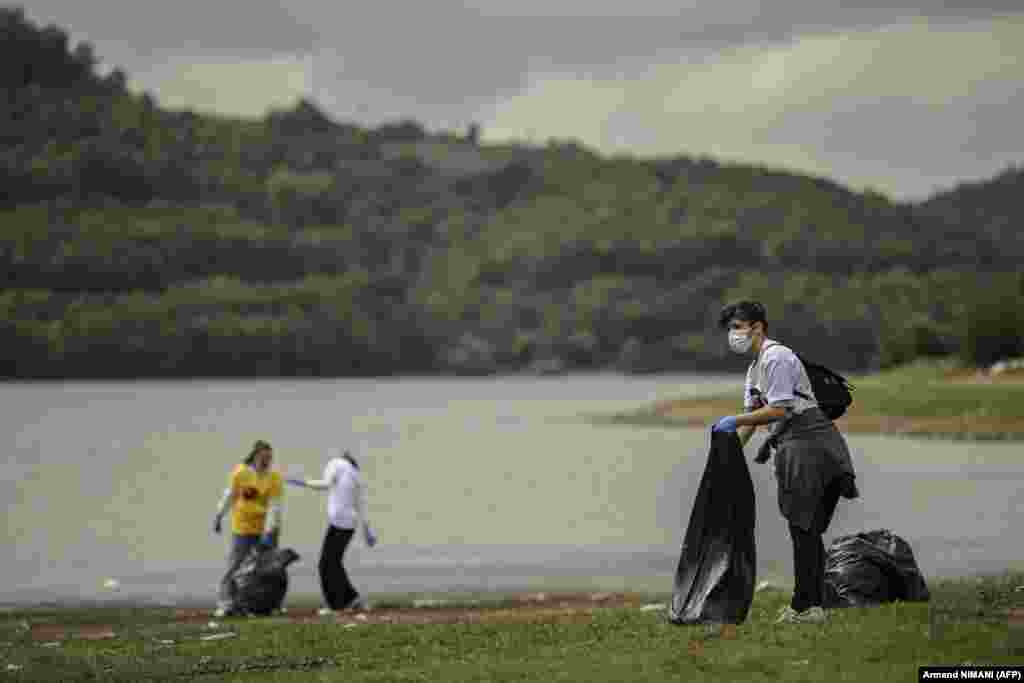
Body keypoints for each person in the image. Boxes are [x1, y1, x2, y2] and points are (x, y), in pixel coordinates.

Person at [712, 301, 859, 625]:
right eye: (730, 329)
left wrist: (733, 419)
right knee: (805, 528)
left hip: (811, 447)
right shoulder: (755, 369)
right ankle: (810, 605)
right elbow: (755, 417)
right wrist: (729, 452)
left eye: (738, 326)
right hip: (794, 448)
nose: (733, 335)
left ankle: (805, 607)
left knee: (803, 528)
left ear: (758, 327)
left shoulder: (777, 358)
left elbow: (779, 409)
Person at [287, 450, 377, 615]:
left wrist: (301, 482)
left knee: (325, 565)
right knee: (334, 562)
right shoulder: (356, 475)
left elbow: (325, 484)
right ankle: (352, 599)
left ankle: (335, 605)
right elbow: (361, 505)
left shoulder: (336, 463)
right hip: (350, 524)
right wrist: (368, 531)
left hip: (338, 522)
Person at [212, 439, 284, 617]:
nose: (267, 462)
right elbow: (229, 495)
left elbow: (275, 506)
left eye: (270, 458)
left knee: (269, 569)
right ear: (255, 456)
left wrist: (271, 530)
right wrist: (219, 516)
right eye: (264, 458)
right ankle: (226, 603)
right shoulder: (241, 473)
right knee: (235, 565)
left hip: (263, 530)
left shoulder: (273, 477)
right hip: (242, 528)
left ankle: (270, 603)